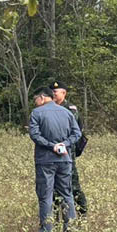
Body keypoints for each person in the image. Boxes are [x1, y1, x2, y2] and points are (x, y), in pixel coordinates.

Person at [28, 87, 82, 232]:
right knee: (67, 194)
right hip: (65, 159)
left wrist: (52, 146)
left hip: (45, 161)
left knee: (45, 196)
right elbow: (77, 133)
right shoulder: (66, 112)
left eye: (36, 99)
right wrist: (64, 144)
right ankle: (70, 230)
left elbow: (35, 135)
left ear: (43, 97)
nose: (35, 102)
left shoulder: (36, 113)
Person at [50, 81, 87, 216]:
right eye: (52, 92)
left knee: (73, 185)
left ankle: (82, 213)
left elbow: (75, 131)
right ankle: (55, 216)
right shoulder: (49, 107)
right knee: (53, 187)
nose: (53, 94)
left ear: (63, 93)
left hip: (67, 151)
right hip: (51, 152)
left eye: (56, 92)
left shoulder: (70, 109)